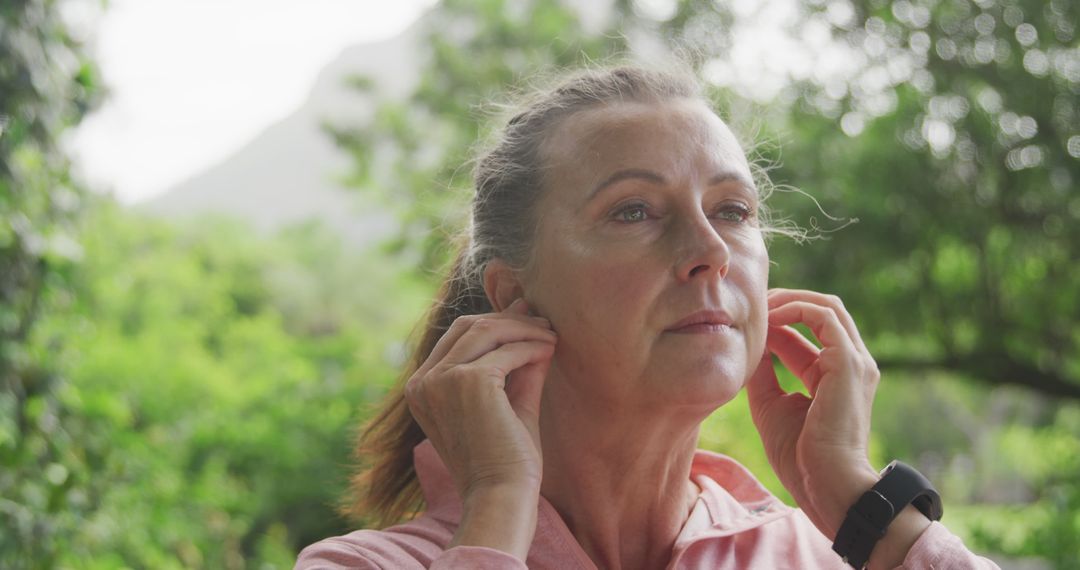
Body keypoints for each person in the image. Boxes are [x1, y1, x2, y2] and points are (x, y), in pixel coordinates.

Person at [296, 66, 999, 569]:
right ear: (515, 297)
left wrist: (859, 500)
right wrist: (498, 509)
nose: (710, 253)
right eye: (633, 211)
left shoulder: (828, 554)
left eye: (732, 210)